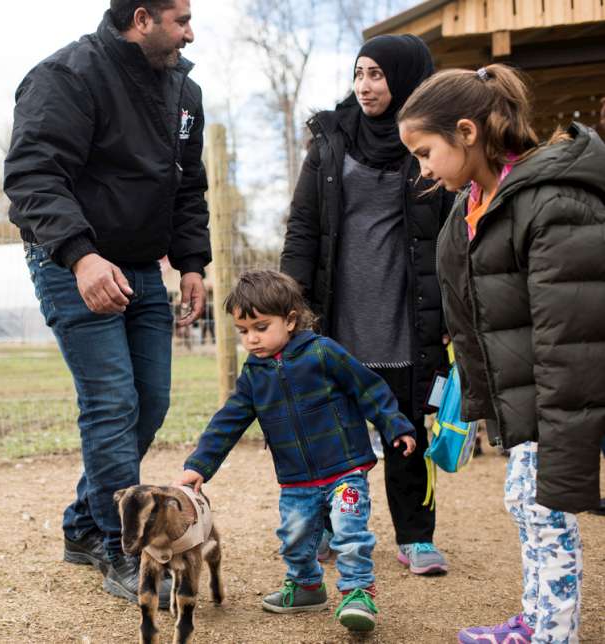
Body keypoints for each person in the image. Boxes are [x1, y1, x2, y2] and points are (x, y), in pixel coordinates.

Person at [4, 0, 210, 604]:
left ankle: (82, 524)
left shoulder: (184, 91)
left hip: (143, 265)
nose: (190, 32)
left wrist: (192, 261)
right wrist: (81, 255)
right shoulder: (66, 77)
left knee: (151, 399)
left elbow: (188, 183)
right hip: (75, 262)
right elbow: (33, 176)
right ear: (141, 18)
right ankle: (126, 544)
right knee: (111, 400)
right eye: (181, 20)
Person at [398, 63, 605, 644]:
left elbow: (572, 338)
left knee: (547, 513)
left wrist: (561, 445)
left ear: (467, 131)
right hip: (528, 402)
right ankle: (537, 618)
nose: (423, 169)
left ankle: (552, 634)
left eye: (425, 152)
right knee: (526, 507)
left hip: (557, 400)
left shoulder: (551, 203)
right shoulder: (477, 204)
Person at [280, 34, 453, 575]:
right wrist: (289, 299)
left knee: (408, 430)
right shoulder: (329, 139)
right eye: (359, 73)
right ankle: (330, 529)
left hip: (408, 313)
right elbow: (304, 225)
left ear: (405, 78)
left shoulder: (431, 143)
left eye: (377, 74)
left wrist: (454, 315)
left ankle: (416, 537)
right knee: (332, 431)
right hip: (338, 316)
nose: (365, 86)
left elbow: (453, 235)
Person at [175, 270, 417, 632]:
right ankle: (306, 586)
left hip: (345, 468)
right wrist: (198, 466)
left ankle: (357, 593)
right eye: (243, 331)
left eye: (260, 327)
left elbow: (369, 389)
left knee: (350, 531)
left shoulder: (323, 352)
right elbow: (228, 422)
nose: (251, 339)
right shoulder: (254, 375)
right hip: (296, 479)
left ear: (289, 320)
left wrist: (395, 424)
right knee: (295, 537)